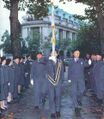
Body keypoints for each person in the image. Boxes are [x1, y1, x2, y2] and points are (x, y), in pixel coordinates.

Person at [68, 49, 91, 115]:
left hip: (81, 79)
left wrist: (89, 62)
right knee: (74, 92)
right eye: (76, 53)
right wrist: (69, 78)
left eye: (78, 53)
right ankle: (76, 107)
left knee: (82, 90)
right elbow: (69, 70)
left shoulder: (82, 60)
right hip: (73, 79)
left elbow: (86, 65)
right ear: (73, 54)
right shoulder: (71, 61)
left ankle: (78, 99)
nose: (77, 54)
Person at [46, 50, 64, 118]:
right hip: (50, 82)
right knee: (51, 97)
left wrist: (61, 80)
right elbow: (42, 61)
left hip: (58, 82)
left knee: (58, 96)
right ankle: (52, 112)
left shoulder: (60, 61)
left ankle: (58, 110)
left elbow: (62, 71)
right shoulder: (47, 61)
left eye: (55, 53)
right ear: (50, 53)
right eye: (52, 53)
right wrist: (49, 58)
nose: (54, 54)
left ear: (57, 54)